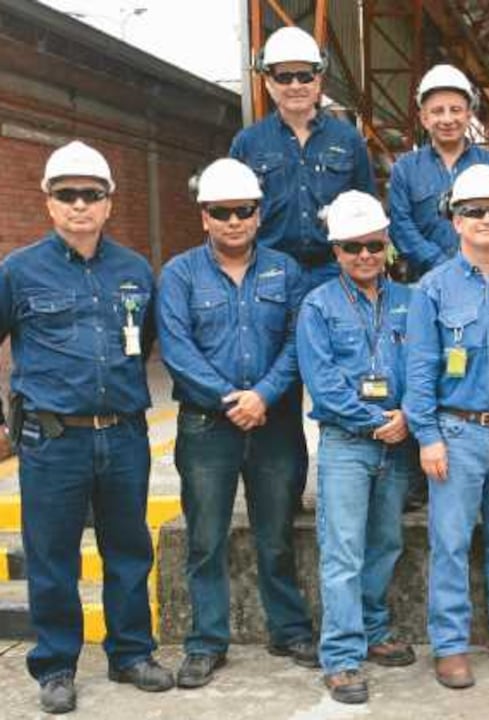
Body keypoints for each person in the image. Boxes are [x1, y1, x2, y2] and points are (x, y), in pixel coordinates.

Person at [0, 141, 174, 714]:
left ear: (108, 203)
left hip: (122, 434)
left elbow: (144, 341)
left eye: (90, 194)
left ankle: (131, 654)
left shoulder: (132, 271)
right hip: (53, 439)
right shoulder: (19, 271)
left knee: (128, 549)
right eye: (67, 194)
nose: (80, 205)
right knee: (53, 557)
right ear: (48, 202)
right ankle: (55, 666)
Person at [157, 159, 315, 689]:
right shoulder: (179, 275)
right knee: (206, 538)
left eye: (242, 211)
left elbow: (298, 343)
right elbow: (176, 349)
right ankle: (206, 643)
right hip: (208, 428)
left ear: (258, 214)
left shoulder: (286, 271)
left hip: (273, 424)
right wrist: (231, 399)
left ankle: (288, 629)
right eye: (220, 212)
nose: (232, 221)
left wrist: (264, 395)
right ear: (204, 216)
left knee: (276, 535)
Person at [404, 165, 489, 689]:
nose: (487, 219)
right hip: (456, 434)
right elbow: (420, 367)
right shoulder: (433, 289)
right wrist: (427, 436)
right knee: (451, 541)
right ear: (455, 220)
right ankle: (450, 645)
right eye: (475, 211)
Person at [297, 191, 417, 704]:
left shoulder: (411, 301)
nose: (364, 255)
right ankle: (343, 656)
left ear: (387, 244)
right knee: (343, 550)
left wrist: (408, 415)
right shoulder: (318, 306)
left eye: (373, 244)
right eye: (352, 247)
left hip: (398, 441)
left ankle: (374, 627)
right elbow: (323, 384)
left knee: (386, 542)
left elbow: (425, 367)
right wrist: (377, 422)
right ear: (336, 251)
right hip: (348, 443)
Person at [230, 26, 376, 291]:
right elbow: (233, 212)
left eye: (304, 76)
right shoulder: (247, 143)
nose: (295, 86)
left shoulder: (348, 140)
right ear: (268, 82)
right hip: (267, 273)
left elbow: (368, 208)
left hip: (335, 271)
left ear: (318, 80)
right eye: (284, 77)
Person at [388, 64, 489, 281]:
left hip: (483, 278)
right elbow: (400, 227)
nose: (448, 119)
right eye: (437, 111)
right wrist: (439, 263)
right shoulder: (405, 168)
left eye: (456, 110)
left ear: (469, 115)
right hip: (423, 281)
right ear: (424, 118)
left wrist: (476, 261)